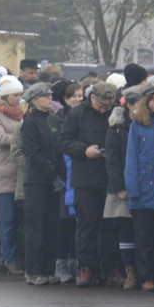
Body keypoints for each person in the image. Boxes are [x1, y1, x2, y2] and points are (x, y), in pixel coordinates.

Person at [59, 80, 117, 287]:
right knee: (87, 226)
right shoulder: (76, 114)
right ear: (91, 98)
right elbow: (64, 141)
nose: (103, 110)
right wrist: (84, 151)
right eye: (100, 106)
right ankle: (86, 268)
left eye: (107, 107)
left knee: (111, 225)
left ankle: (111, 268)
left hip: (110, 176)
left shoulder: (115, 113)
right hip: (85, 176)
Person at [125, 84, 154, 292]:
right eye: (153, 99)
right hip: (144, 189)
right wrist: (133, 190)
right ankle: (145, 277)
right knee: (143, 238)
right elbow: (132, 159)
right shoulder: (137, 124)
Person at [21, 82, 65, 285]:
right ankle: (32, 270)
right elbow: (33, 154)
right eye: (45, 96)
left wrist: (60, 175)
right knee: (35, 227)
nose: (50, 98)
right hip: (37, 182)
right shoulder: (30, 123)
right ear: (34, 100)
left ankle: (47, 270)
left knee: (52, 227)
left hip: (54, 183)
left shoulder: (54, 120)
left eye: (50, 95)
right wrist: (51, 175)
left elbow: (60, 149)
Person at [0, 75, 24, 275]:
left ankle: (5, 256)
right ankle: (8, 257)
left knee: (16, 220)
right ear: (7, 95)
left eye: (20, 94)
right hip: (3, 172)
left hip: (19, 172)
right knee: (6, 219)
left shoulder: (19, 114)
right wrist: (23, 135)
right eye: (16, 94)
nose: (19, 98)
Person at [105, 87, 143, 289]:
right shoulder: (116, 128)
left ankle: (144, 270)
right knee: (126, 229)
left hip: (144, 184)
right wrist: (119, 186)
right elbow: (112, 160)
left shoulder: (146, 124)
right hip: (122, 186)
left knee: (144, 231)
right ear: (129, 105)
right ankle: (130, 272)